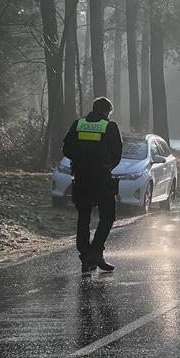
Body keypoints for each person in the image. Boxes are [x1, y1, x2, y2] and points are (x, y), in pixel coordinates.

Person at [62, 97, 123, 273]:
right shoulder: (110, 127)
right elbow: (117, 153)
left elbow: (66, 149)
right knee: (108, 216)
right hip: (101, 178)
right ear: (106, 112)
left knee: (84, 217)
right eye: (109, 113)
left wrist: (80, 160)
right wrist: (106, 165)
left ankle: (86, 255)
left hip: (81, 177)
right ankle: (96, 252)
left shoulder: (78, 124)